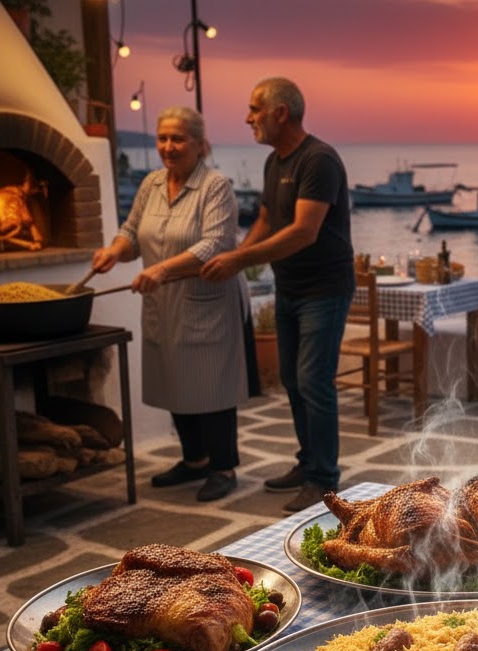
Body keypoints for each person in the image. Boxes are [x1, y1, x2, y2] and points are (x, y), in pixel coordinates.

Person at [201, 77, 354, 516]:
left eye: (255, 109)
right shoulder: (274, 161)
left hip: (324, 289)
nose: (247, 117)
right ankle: (308, 463)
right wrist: (238, 257)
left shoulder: (319, 159)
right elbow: (268, 218)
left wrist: (239, 259)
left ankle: (323, 479)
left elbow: (305, 231)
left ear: (280, 113)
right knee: (292, 378)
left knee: (313, 381)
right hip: (289, 287)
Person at [91, 107, 248, 502]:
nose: (168, 146)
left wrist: (161, 269)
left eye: (178, 139)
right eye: (162, 138)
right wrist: (114, 251)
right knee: (174, 378)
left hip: (206, 300)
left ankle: (222, 467)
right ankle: (194, 460)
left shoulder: (215, 186)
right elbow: (132, 232)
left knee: (211, 384)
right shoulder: (152, 183)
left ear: (199, 144)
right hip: (162, 301)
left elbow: (214, 243)